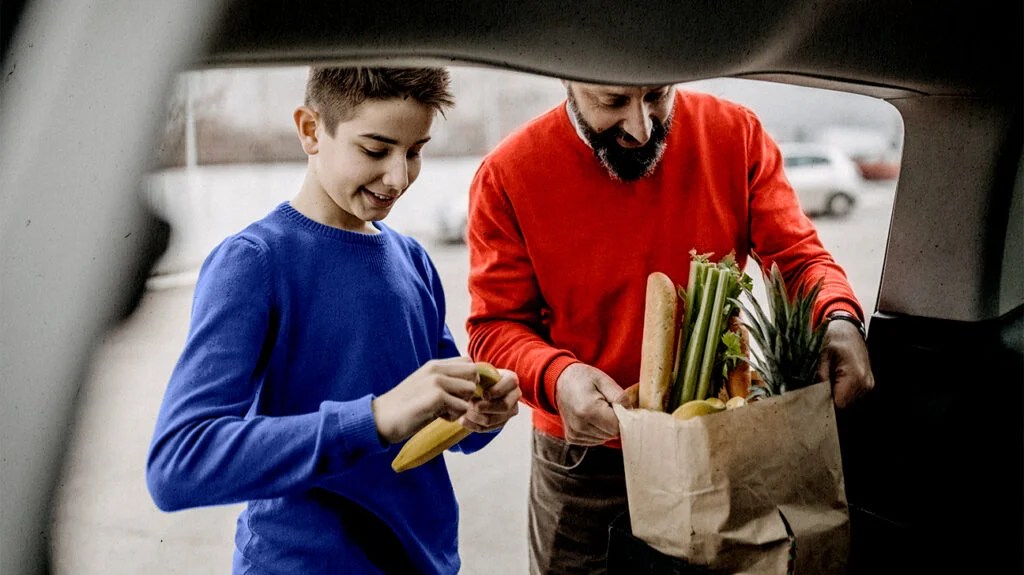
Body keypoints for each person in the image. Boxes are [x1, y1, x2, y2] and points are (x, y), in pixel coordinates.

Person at [465, 80, 876, 573]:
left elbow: (797, 258)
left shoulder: (736, 133)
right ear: (568, 79)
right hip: (587, 460)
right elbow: (495, 327)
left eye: (657, 95)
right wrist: (558, 378)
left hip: (717, 444)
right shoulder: (507, 173)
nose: (641, 128)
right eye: (613, 102)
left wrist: (836, 316)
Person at [146, 66, 521, 575]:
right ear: (309, 130)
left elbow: (449, 421)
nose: (398, 177)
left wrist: (482, 414)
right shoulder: (254, 262)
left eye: (414, 152)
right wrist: (373, 419)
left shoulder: (412, 259)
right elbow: (178, 464)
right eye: (375, 149)